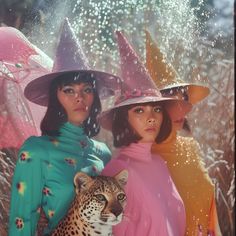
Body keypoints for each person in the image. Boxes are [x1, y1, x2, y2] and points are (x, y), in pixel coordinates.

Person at [8, 19, 121, 236]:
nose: (79, 97)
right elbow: (22, 221)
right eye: (69, 90)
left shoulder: (102, 152)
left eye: (86, 89)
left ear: (94, 97)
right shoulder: (36, 151)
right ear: (55, 97)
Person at [99, 31, 192, 236]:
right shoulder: (116, 171)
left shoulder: (159, 163)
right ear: (124, 118)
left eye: (156, 109)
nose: (151, 117)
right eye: (139, 110)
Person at [145, 31, 222, 236]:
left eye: (184, 99)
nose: (182, 108)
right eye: (172, 102)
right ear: (155, 107)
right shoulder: (143, 158)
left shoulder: (191, 147)